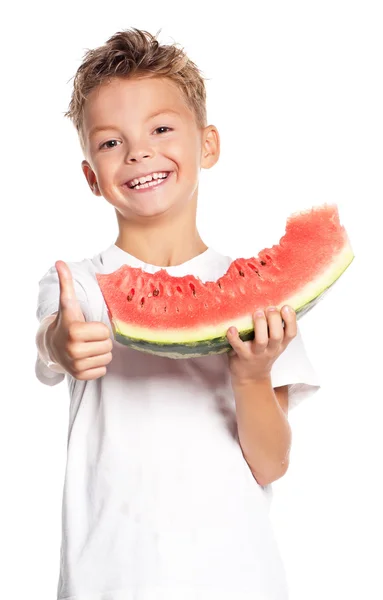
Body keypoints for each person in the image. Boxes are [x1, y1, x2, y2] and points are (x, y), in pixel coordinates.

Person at [35, 28, 320, 600]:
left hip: (237, 581)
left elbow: (270, 464)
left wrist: (252, 375)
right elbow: (52, 339)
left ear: (207, 145)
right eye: (111, 142)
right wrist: (60, 343)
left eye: (161, 129)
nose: (139, 151)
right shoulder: (79, 286)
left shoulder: (259, 299)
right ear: (91, 176)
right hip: (107, 583)